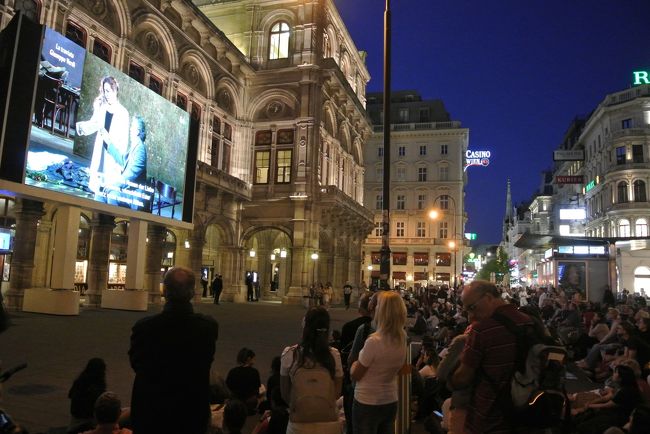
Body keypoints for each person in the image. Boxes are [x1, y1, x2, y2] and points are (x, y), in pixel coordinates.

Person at [128, 266, 219, 434]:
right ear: (192, 292)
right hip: (191, 413)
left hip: (151, 413)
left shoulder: (144, 328)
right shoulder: (207, 328)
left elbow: (136, 364)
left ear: (164, 291)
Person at [450, 280, 533, 434]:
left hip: (489, 415)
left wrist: (450, 376)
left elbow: (462, 378)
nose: (470, 316)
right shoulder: (528, 321)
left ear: (488, 298)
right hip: (526, 412)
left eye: (472, 308)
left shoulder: (482, 330)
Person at [350, 291, 407, 434]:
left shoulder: (373, 341)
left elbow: (356, 374)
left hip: (367, 400)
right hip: (390, 399)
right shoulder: (402, 338)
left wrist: (352, 366)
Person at [280, 306, 343, 434]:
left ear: (305, 326)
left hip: (299, 424)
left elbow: (285, 394)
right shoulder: (334, 355)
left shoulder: (290, 354)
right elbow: (336, 392)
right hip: (329, 422)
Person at [75, 76, 130, 200]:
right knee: (98, 190)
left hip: (113, 153)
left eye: (109, 90)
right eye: (105, 90)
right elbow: (93, 124)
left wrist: (119, 160)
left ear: (116, 90)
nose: (107, 94)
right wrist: (80, 127)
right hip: (100, 151)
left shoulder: (123, 113)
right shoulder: (101, 107)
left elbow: (124, 140)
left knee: (110, 190)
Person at [100, 115, 148, 211]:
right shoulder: (135, 146)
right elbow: (123, 160)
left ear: (137, 131)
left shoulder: (140, 149)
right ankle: (101, 223)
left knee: (113, 195)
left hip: (135, 194)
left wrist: (113, 185)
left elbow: (131, 175)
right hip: (129, 190)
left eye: (132, 127)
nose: (130, 129)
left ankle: (115, 222)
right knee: (100, 193)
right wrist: (108, 142)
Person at [68, 358, 107, 434]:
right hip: (87, 422)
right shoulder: (96, 388)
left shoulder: (80, 381)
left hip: (75, 421)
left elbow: (70, 395)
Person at [225, 347, 262, 414]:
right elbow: (256, 389)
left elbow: (228, 388)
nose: (254, 360)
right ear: (249, 359)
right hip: (249, 403)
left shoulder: (232, 371)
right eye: (253, 358)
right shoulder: (254, 372)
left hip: (235, 403)